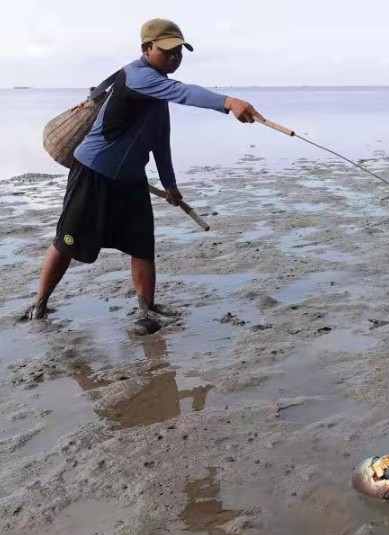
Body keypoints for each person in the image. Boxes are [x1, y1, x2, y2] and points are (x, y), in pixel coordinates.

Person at [23, 18, 262, 334]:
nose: (174, 57)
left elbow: (160, 143)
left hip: (131, 179)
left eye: (179, 52)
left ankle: (146, 311)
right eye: (167, 51)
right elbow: (184, 92)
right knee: (67, 241)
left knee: (142, 245)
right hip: (94, 172)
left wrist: (171, 185)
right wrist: (228, 102)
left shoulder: (157, 95)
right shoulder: (137, 76)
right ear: (146, 49)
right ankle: (39, 305)